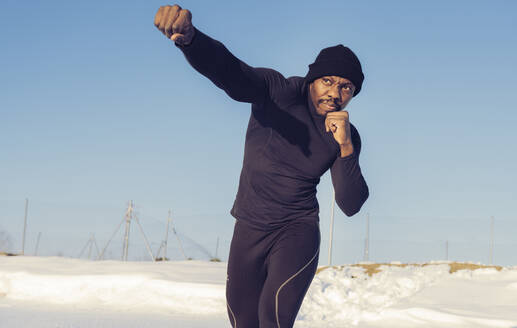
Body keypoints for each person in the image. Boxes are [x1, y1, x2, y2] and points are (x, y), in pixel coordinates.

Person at [154, 4, 369, 327]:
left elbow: (350, 204)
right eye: (328, 81)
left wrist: (346, 148)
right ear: (312, 79)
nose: (335, 93)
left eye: (346, 88)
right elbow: (231, 72)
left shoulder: (343, 134)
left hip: (297, 231)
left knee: (273, 318)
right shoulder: (277, 91)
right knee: (243, 321)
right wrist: (191, 39)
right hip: (249, 227)